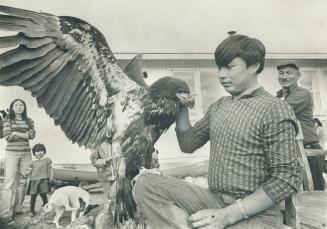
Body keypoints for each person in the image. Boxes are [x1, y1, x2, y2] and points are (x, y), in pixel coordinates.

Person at [132, 34, 302, 229]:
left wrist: (228, 216)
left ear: (254, 66)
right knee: (146, 184)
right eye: (219, 67)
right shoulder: (219, 107)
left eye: (229, 67)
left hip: (256, 213)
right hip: (212, 201)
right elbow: (188, 144)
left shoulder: (274, 108)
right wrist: (181, 105)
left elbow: (286, 178)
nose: (221, 74)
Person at [276, 61, 325, 190]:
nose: (285, 76)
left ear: (298, 76)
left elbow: (279, 112)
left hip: (309, 151)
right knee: (295, 193)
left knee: (315, 193)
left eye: (289, 73)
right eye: (281, 73)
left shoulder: (303, 93)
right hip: (293, 152)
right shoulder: (279, 96)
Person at [0, 99, 35, 222]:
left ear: (24, 107)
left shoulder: (29, 120)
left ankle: (18, 209)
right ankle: (5, 214)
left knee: (23, 182)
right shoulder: (7, 120)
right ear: (12, 107)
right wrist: (23, 134)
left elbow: (32, 135)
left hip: (26, 153)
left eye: (21, 105)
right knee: (9, 183)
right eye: (16, 105)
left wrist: (16, 132)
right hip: (12, 154)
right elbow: (7, 136)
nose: (19, 107)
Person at [26, 143, 53, 217]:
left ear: (44, 151)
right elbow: (29, 171)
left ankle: (46, 206)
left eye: (41, 150)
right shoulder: (32, 162)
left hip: (43, 180)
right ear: (34, 153)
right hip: (34, 181)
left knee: (43, 194)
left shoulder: (47, 160)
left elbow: (50, 169)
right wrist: (26, 173)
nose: (39, 152)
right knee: (33, 196)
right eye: (37, 151)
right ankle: (31, 211)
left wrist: (51, 176)